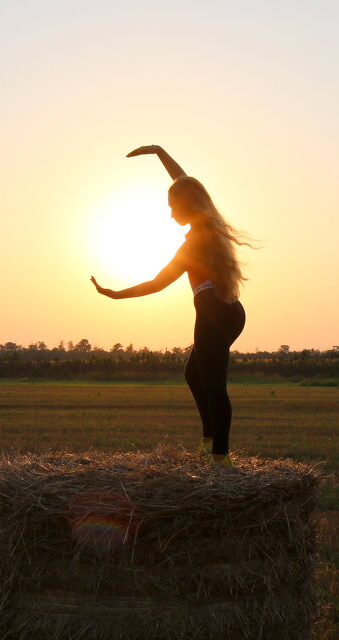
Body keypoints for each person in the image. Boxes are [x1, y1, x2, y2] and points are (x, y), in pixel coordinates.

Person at [91, 145, 250, 467]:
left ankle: (219, 458)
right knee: (194, 375)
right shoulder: (209, 225)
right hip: (229, 312)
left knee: (214, 386)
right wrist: (159, 152)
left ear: (186, 205)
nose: (170, 213)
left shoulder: (194, 243)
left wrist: (115, 294)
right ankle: (210, 445)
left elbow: (157, 283)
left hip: (213, 312)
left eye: (171, 206)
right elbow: (185, 180)